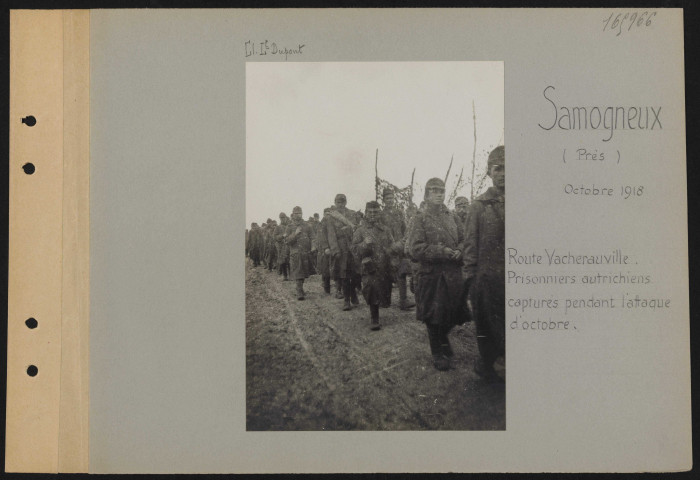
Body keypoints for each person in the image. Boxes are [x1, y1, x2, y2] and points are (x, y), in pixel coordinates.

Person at [409, 178, 468, 371]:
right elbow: (415, 249)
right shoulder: (420, 218)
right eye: (434, 190)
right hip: (431, 275)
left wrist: (460, 250)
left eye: (441, 190)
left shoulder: (453, 216)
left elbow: (464, 240)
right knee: (434, 316)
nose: (438, 194)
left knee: (453, 314)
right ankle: (438, 353)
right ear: (426, 194)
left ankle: (442, 340)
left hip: (453, 274)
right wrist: (440, 251)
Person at [465, 145, 505, 382]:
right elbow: (470, 245)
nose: (504, 174)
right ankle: (486, 366)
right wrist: (470, 281)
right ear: (490, 172)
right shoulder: (478, 206)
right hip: (487, 280)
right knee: (487, 327)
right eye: (498, 169)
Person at [352, 201, 394, 330]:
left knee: (385, 289)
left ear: (379, 213)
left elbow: (392, 245)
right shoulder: (360, 230)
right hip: (369, 267)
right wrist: (364, 244)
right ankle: (374, 318)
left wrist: (391, 253)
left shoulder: (385, 229)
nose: (372, 215)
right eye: (369, 212)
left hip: (384, 266)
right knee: (371, 290)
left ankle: (381, 307)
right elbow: (354, 250)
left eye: (375, 212)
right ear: (365, 213)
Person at [381, 188, 415, 310]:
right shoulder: (381, 215)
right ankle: (385, 300)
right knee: (386, 275)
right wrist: (388, 247)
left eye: (391, 198)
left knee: (402, 272)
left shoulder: (399, 213)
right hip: (387, 249)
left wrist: (403, 242)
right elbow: (380, 232)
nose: (390, 200)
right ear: (384, 200)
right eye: (387, 198)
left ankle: (403, 300)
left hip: (399, 247)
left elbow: (405, 229)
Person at [326, 193, 361, 311]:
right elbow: (331, 235)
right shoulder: (331, 217)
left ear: (345, 202)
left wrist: (349, 229)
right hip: (341, 248)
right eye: (338, 202)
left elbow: (357, 228)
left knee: (356, 273)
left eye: (342, 202)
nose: (340, 204)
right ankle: (347, 300)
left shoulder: (352, 213)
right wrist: (335, 250)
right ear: (335, 203)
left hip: (353, 246)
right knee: (344, 275)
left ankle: (353, 293)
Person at [284, 206, 313, 300]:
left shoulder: (307, 225)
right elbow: (287, 241)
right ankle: (299, 291)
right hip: (295, 253)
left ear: (302, 214)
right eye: (296, 213)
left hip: (305, 252)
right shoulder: (289, 227)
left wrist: (313, 246)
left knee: (303, 271)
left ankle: (300, 288)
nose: (298, 215)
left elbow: (313, 237)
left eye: (299, 213)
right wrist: (295, 234)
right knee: (298, 271)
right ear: (293, 214)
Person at [316, 208, 333, 294]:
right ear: (323, 215)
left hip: (334, 247)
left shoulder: (333, 222)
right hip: (324, 248)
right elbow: (320, 237)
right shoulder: (321, 224)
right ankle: (327, 287)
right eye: (326, 214)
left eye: (329, 214)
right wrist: (324, 247)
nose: (328, 216)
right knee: (325, 268)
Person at [274, 213, 290, 280]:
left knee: (290, 261)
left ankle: (291, 275)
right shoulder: (278, 227)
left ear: (286, 218)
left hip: (290, 245)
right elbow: (275, 237)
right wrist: (282, 236)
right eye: (281, 218)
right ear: (280, 219)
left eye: (284, 218)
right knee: (283, 261)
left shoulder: (290, 226)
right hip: (282, 246)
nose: (283, 219)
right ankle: (285, 276)